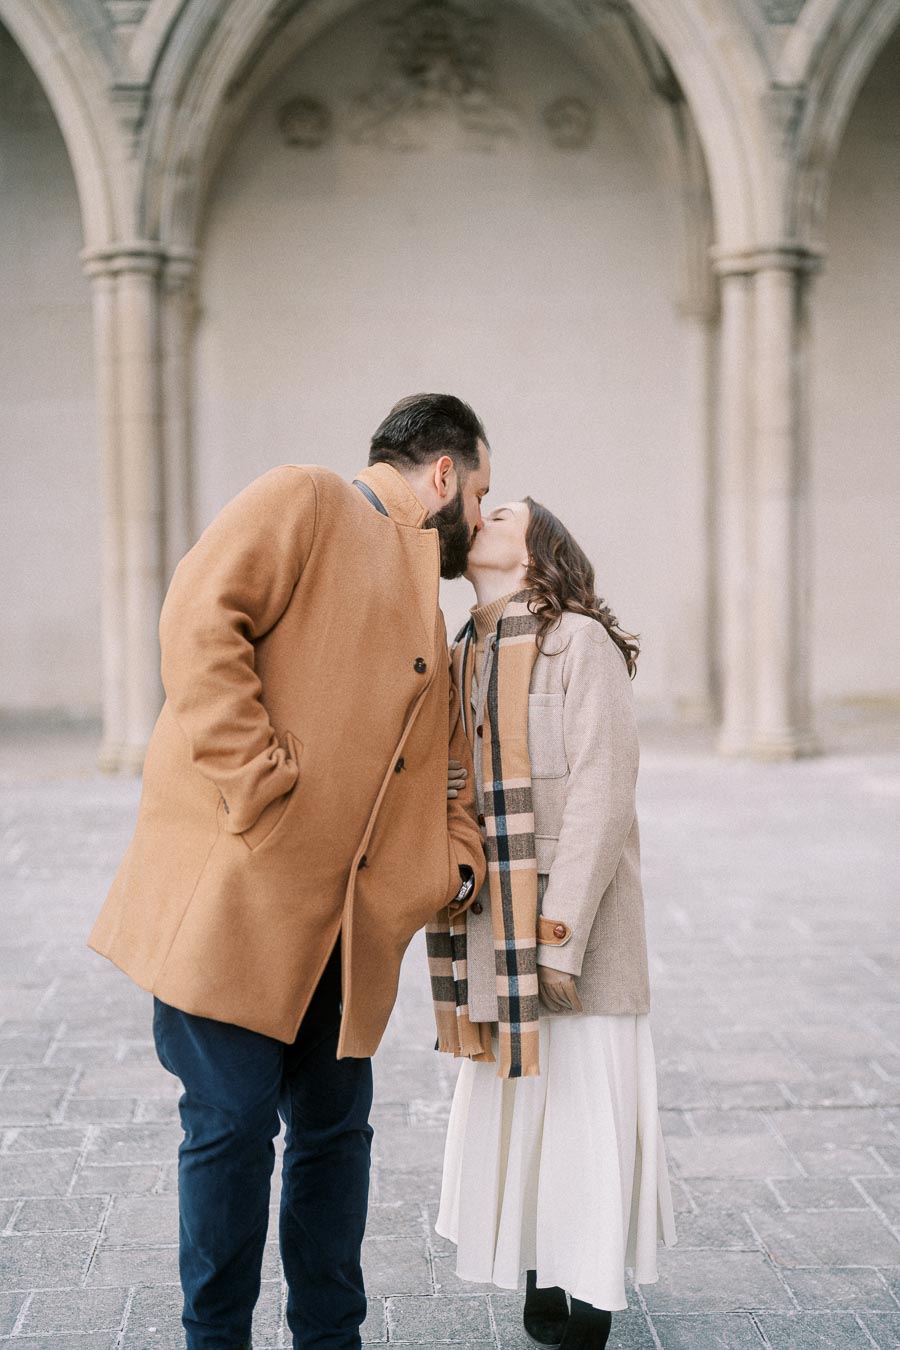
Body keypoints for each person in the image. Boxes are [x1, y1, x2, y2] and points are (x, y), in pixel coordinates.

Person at [87, 394, 491, 1350]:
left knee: (335, 1141)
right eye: (480, 489)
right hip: (241, 908)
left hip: (348, 941)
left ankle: (329, 1341)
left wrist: (454, 867)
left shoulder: (431, 617)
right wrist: (259, 786)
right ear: (443, 476)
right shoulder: (307, 499)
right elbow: (198, 618)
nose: (478, 513)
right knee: (228, 1133)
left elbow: (447, 767)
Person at [429, 498, 677, 1349]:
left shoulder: (581, 643)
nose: (481, 518)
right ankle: (539, 1260)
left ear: (537, 555)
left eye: (500, 513)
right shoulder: (461, 651)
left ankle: (592, 1287)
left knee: (584, 1108)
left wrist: (559, 935)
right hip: (492, 930)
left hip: (581, 934)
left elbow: (605, 794)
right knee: (523, 1108)